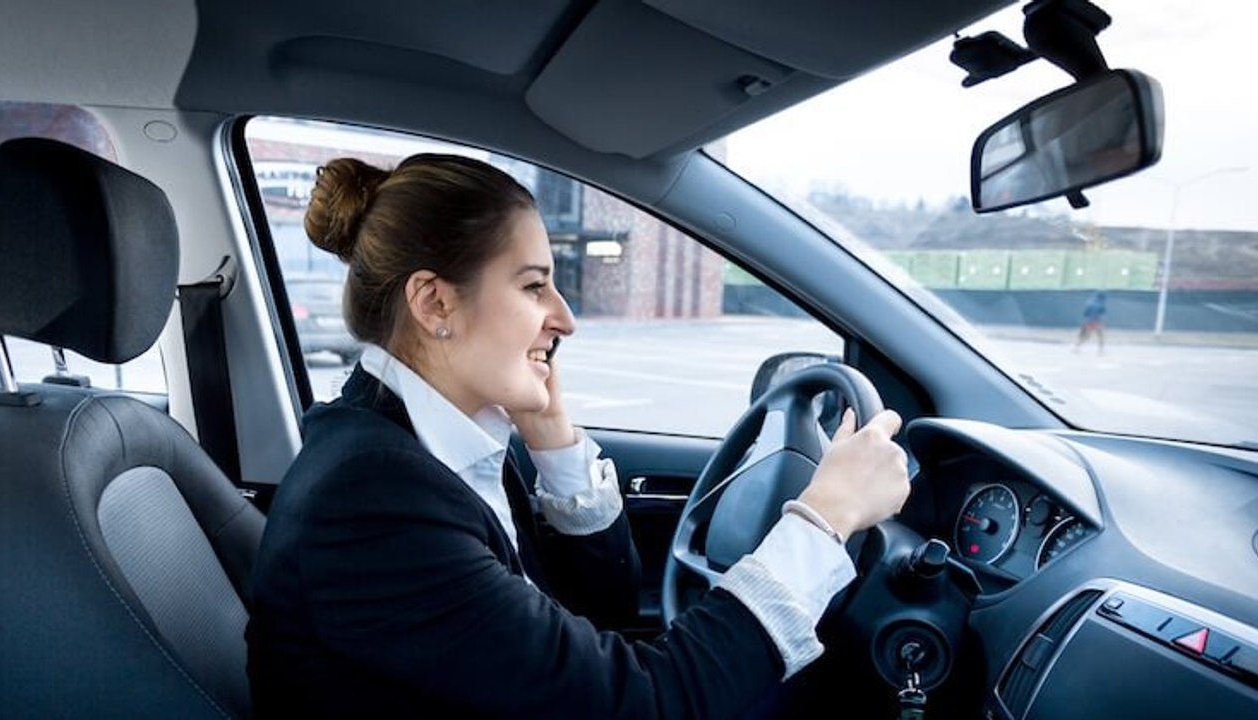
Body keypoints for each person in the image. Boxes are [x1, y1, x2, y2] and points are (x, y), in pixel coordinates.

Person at [246, 153, 912, 719]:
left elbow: (592, 614)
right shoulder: (373, 497)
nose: (564, 318)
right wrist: (824, 518)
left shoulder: (427, 445)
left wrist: (550, 438)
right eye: (534, 286)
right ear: (435, 303)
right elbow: (647, 705)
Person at [1075, 290, 1107, 354]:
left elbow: (1085, 313)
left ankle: (1077, 347)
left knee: (1087, 335)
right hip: (1097, 321)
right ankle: (1101, 350)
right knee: (1100, 335)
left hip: (1089, 321)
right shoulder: (1101, 303)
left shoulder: (1089, 303)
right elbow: (1103, 312)